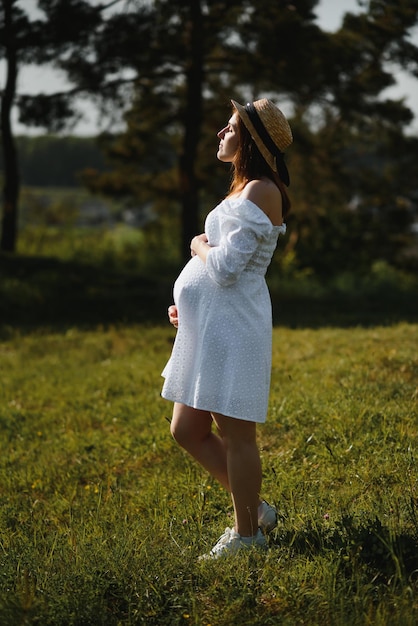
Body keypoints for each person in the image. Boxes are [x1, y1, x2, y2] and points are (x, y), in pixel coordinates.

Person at [161, 97, 292, 559]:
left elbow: (227, 267)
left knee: (237, 435)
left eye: (232, 126)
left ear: (252, 140)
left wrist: (197, 245)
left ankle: (247, 536)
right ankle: (255, 509)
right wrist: (187, 306)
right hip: (210, 326)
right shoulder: (243, 189)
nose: (221, 132)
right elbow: (219, 272)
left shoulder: (262, 190)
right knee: (186, 429)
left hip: (235, 327)